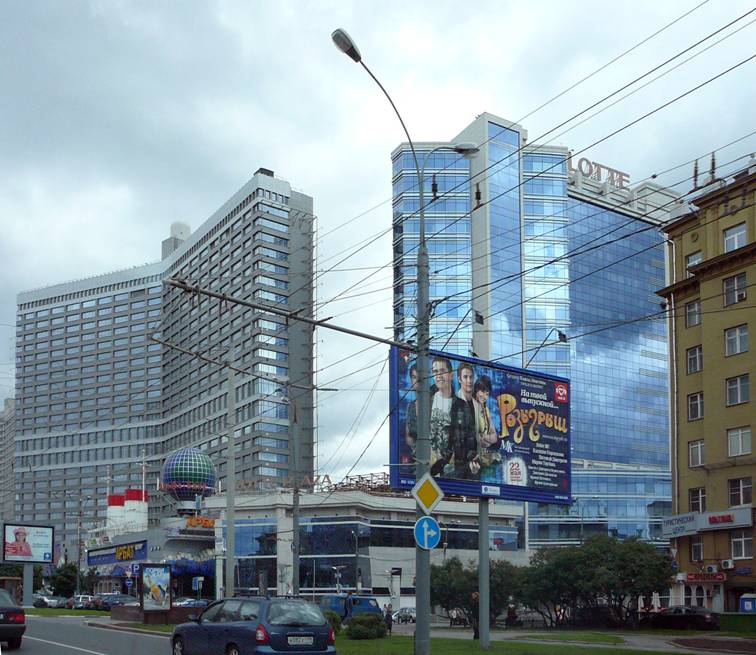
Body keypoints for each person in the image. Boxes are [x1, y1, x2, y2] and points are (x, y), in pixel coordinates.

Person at [449, 363, 480, 479]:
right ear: (459, 379)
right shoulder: (454, 403)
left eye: (471, 377)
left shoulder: (478, 405)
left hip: (474, 464)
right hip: (456, 465)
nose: (469, 381)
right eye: (465, 377)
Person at [473, 375, 502, 481]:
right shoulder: (470, 406)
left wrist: (486, 438)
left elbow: (495, 436)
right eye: (482, 391)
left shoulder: (486, 410)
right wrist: (485, 439)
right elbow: (473, 435)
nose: (484, 396)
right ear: (476, 389)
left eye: (487, 393)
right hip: (472, 453)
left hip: (483, 452)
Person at [429, 357, 454, 477]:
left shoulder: (461, 405)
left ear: (451, 375)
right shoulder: (425, 401)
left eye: (442, 371)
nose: (438, 375)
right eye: (435, 372)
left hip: (449, 468)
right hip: (426, 466)